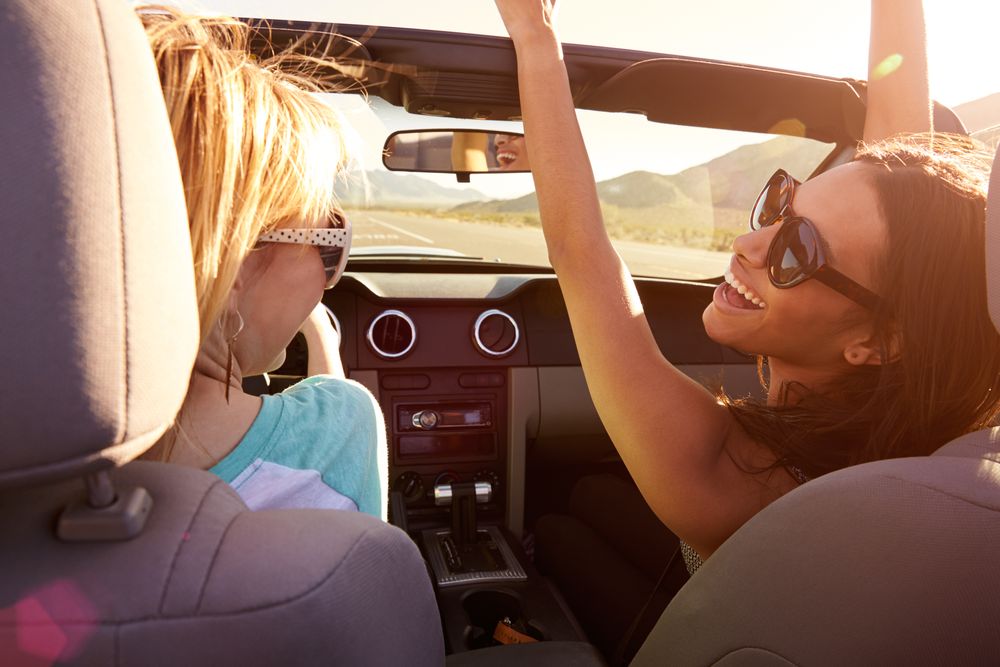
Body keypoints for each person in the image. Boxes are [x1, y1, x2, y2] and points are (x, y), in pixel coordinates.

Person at [494, 0, 1000, 584]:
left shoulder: (733, 482)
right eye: (782, 205)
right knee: (586, 494)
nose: (747, 243)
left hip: (709, 627)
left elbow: (581, 256)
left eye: (799, 250)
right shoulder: (932, 442)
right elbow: (900, 168)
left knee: (559, 534)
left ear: (878, 340)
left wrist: (535, 33)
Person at [140, 8, 388, 519]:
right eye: (325, 244)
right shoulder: (335, 430)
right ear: (231, 264)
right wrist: (321, 337)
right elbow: (338, 412)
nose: (326, 280)